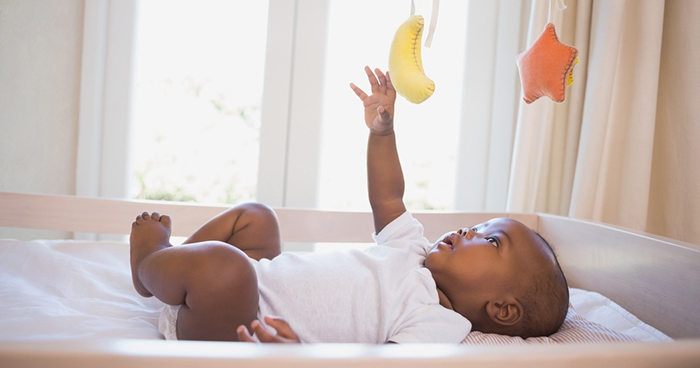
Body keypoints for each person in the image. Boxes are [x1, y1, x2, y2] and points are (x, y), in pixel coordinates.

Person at [129, 66, 569, 343]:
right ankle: (171, 275)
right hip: (257, 280)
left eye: (490, 241)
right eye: (478, 225)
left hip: (233, 324)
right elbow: (388, 196)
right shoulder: (411, 251)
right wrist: (382, 134)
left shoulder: (439, 325)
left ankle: (152, 263)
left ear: (503, 309)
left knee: (228, 270)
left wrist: (294, 354)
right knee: (256, 217)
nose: (468, 231)